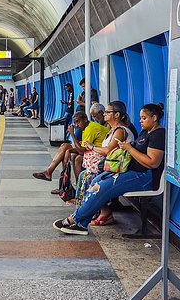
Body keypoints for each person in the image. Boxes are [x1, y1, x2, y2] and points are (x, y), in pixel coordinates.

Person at [54, 103, 165, 235]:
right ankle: (82, 223)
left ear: (154, 118)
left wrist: (129, 148)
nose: (140, 121)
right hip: (131, 172)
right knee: (95, 182)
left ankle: (75, 220)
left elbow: (153, 163)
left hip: (144, 176)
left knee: (101, 188)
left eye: (144, 118)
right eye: (140, 118)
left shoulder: (158, 134)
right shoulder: (145, 132)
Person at [77, 101, 134, 220]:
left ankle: (94, 211)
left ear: (117, 115)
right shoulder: (112, 129)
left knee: (89, 177)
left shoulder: (120, 131)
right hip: (112, 166)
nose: (104, 114)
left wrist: (91, 147)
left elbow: (107, 150)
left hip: (119, 169)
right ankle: (87, 210)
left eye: (107, 112)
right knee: (83, 174)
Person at [32, 111, 108, 182]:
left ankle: (75, 185)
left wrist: (72, 134)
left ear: (85, 120)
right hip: (94, 150)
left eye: (78, 122)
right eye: (75, 123)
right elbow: (83, 146)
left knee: (75, 156)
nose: (77, 125)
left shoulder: (91, 128)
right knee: (64, 146)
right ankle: (61, 181)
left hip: (101, 152)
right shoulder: (86, 127)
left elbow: (81, 151)